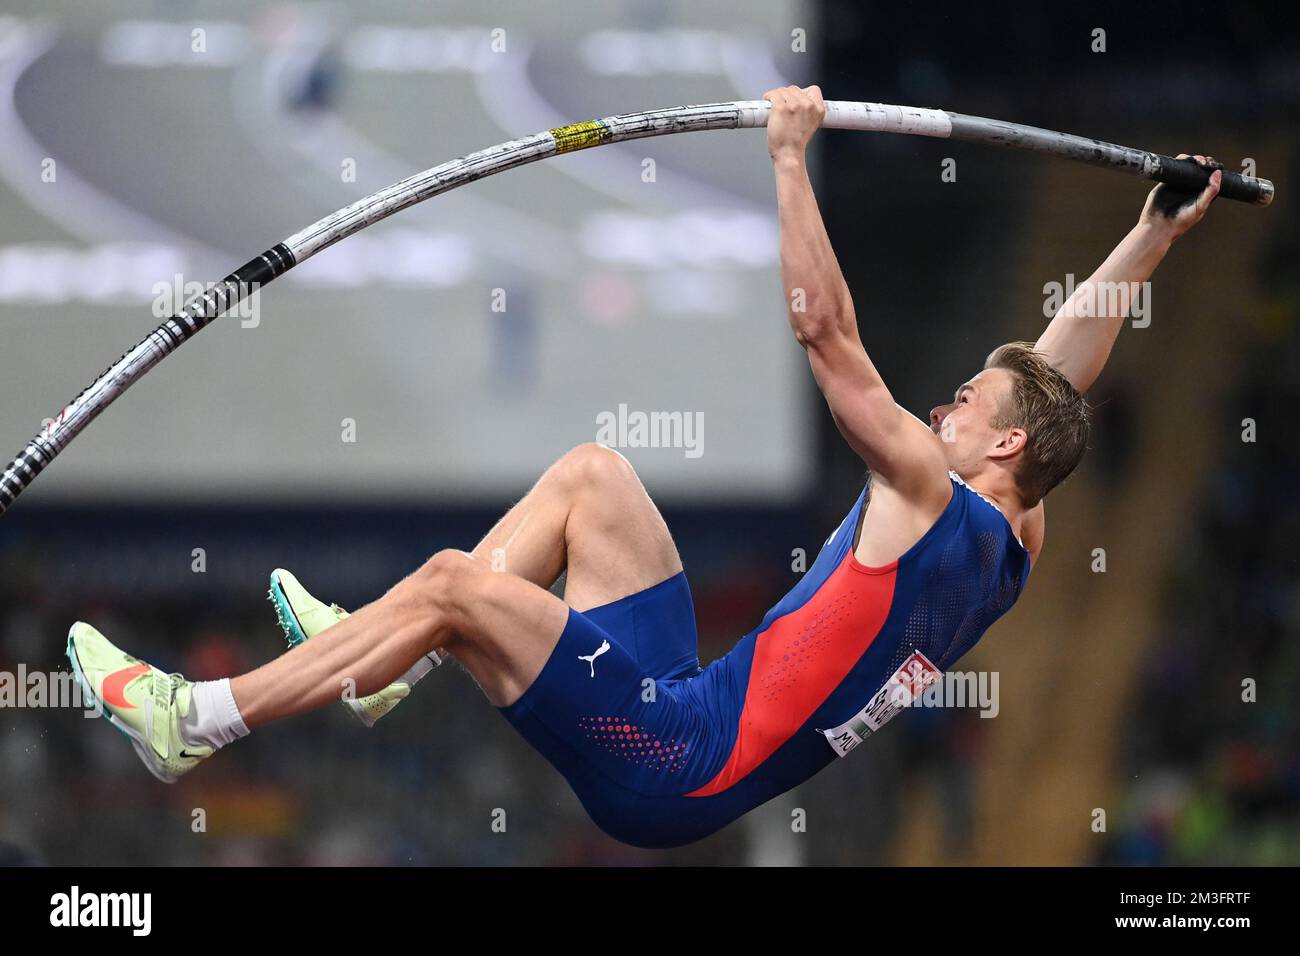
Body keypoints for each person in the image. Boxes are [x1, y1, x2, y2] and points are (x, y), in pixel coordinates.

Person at [66, 86, 1223, 849]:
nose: (942, 402)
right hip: (694, 711)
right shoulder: (1017, 534)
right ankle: (387, 668)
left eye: (963, 402)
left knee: (450, 584)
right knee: (593, 479)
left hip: (669, 765)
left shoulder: (925, 490)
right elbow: (1054, 380)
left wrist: (785, 157)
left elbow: (824, 332)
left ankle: (195, 716)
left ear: (998, 444)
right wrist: (1154, 233)